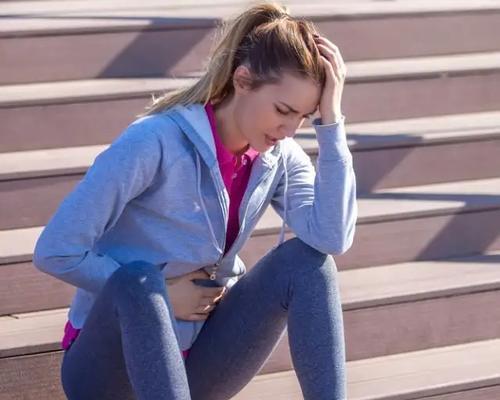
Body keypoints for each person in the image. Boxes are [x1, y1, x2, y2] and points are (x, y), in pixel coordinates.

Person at [33, 2, 357, 399]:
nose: (290, 130)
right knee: (138, 280)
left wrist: (332, 123)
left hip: (197, 361)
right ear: (242, 80)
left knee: (309, 264)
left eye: (304, 117)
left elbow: (331, 237)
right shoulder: (153, 141)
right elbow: (55, 250)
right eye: (283, 110)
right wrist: (163, 296)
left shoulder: (279, 156)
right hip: (109, 370)